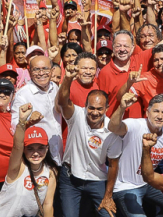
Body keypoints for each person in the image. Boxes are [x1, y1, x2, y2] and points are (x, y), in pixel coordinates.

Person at [57, 63, 122, 217]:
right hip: (70, 179)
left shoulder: (112, 131)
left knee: (108, 215)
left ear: (106, 109)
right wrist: (67, 79)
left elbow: (113, 165)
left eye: (99, 109)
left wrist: (108, 195)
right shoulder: (76, 116)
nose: (94, 112)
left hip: (97, 180)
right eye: (91, 108)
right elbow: (62, 101)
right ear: (85, 106)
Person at [109, 93, 163, 217]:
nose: (160, 116)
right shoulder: (135, 125)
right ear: (147, 113)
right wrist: (121, 108)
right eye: (156, 111)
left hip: (149, 184)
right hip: (126, 186)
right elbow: (113, 127)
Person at [0, 105, 57, 216]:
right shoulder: (18, 168)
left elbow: (47, 205)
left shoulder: (50, 171)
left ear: (47, 148)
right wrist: (22, 122)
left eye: (40, 148)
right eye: (30, 149)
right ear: (24, 150)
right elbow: (17, 147)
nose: (36, 153)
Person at [11, 55, 63, 165]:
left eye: (45, 69)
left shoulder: (55, 87)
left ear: (52, 70)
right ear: (29, 72)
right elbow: (14, 128)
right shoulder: (23, 95)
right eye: (36, 69)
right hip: (38, 158)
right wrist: (29, 122)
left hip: (58, 154)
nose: (41, 73)